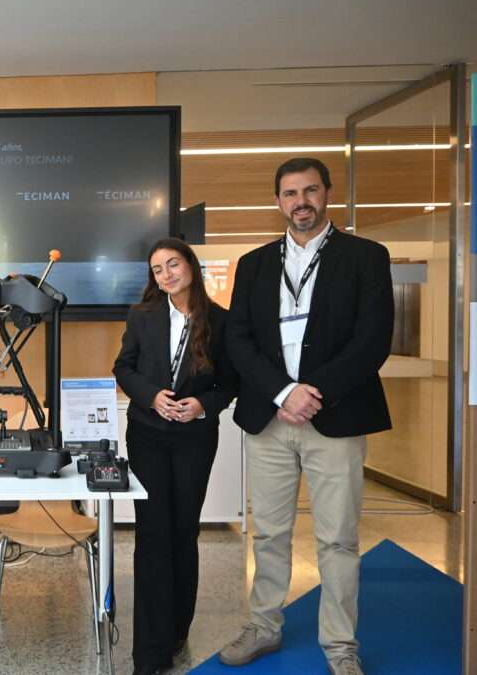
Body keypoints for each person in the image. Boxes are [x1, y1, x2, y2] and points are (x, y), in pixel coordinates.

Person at [221, 158, 393, 675]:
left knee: (337, 537)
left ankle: (340, 646)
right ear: (278, 201)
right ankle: (264, 626)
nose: (301, 202)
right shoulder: (254, 264)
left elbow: (372, 340)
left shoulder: (365, 257)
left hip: (335, 416)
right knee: (269, 532)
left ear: (327, 194)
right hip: (270, 417)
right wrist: (282, 392)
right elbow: (238, 339)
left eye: (310, 191)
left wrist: (313, 393)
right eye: (291, 193)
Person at [113, 238, 237, 675]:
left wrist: (203, 404)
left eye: (173, 264)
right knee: (152, 536)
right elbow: (123, 368)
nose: (166, 274)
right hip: (147, 435)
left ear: (191, 266)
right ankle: (149, 654)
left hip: (195, 439)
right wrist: (151, 396)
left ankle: (177, 630)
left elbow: (230, 382)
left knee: (183, 533)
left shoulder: (221, 321)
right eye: (157, 269)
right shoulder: (142, 316)